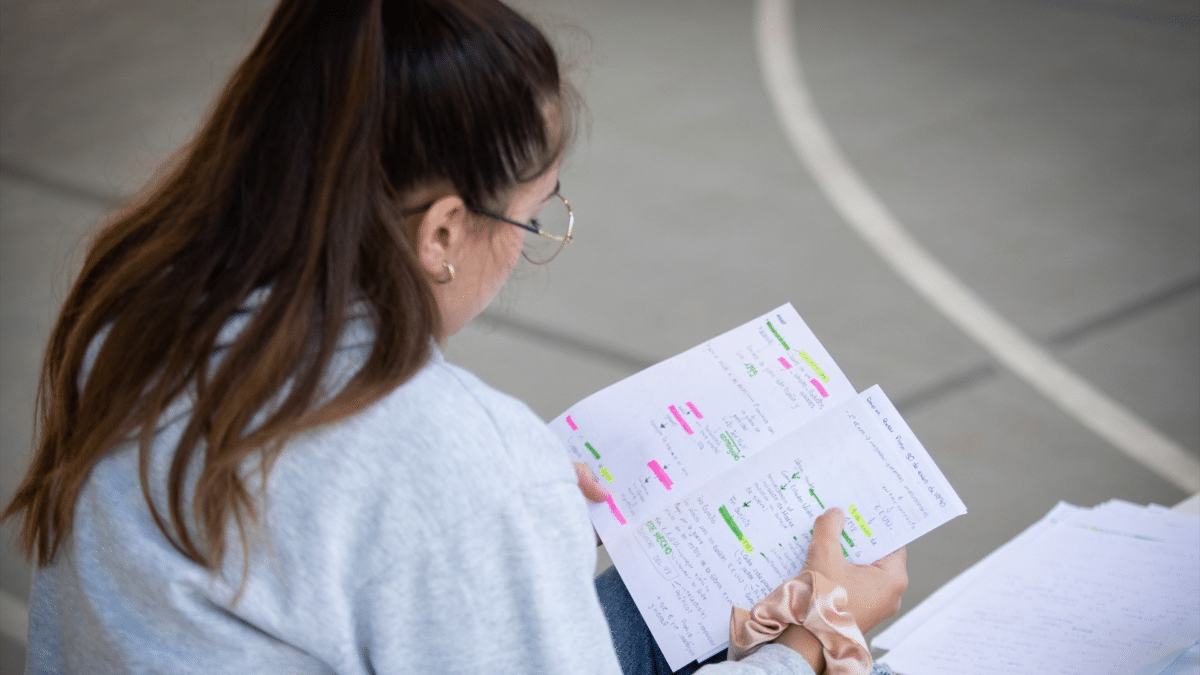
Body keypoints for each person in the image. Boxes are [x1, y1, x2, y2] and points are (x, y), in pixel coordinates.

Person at [2, 1, 907, 673]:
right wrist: (815, 641)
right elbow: (398, 486)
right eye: (532, 214)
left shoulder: (140, 300)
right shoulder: (452, 458)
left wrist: (502, 513)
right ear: (440, 231)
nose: (529, 242)